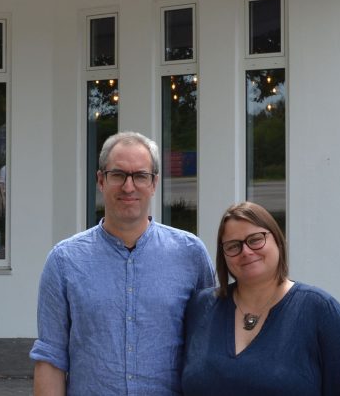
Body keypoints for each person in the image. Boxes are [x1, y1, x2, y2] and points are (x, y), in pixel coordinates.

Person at [30, 131, 215, 396]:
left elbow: (206, 347)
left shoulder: (191, 254)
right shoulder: (64, 261)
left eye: (140, 175)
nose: (129, 187)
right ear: (101, 180)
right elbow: (51, 356)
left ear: (154, 183)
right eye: (118, 175)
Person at [182, 201, 340, 396]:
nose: (246, 251)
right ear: (224, 256)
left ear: (278, 241)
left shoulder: (322, 312)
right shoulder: (201, 307)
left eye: (255, 239)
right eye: (233, 246)